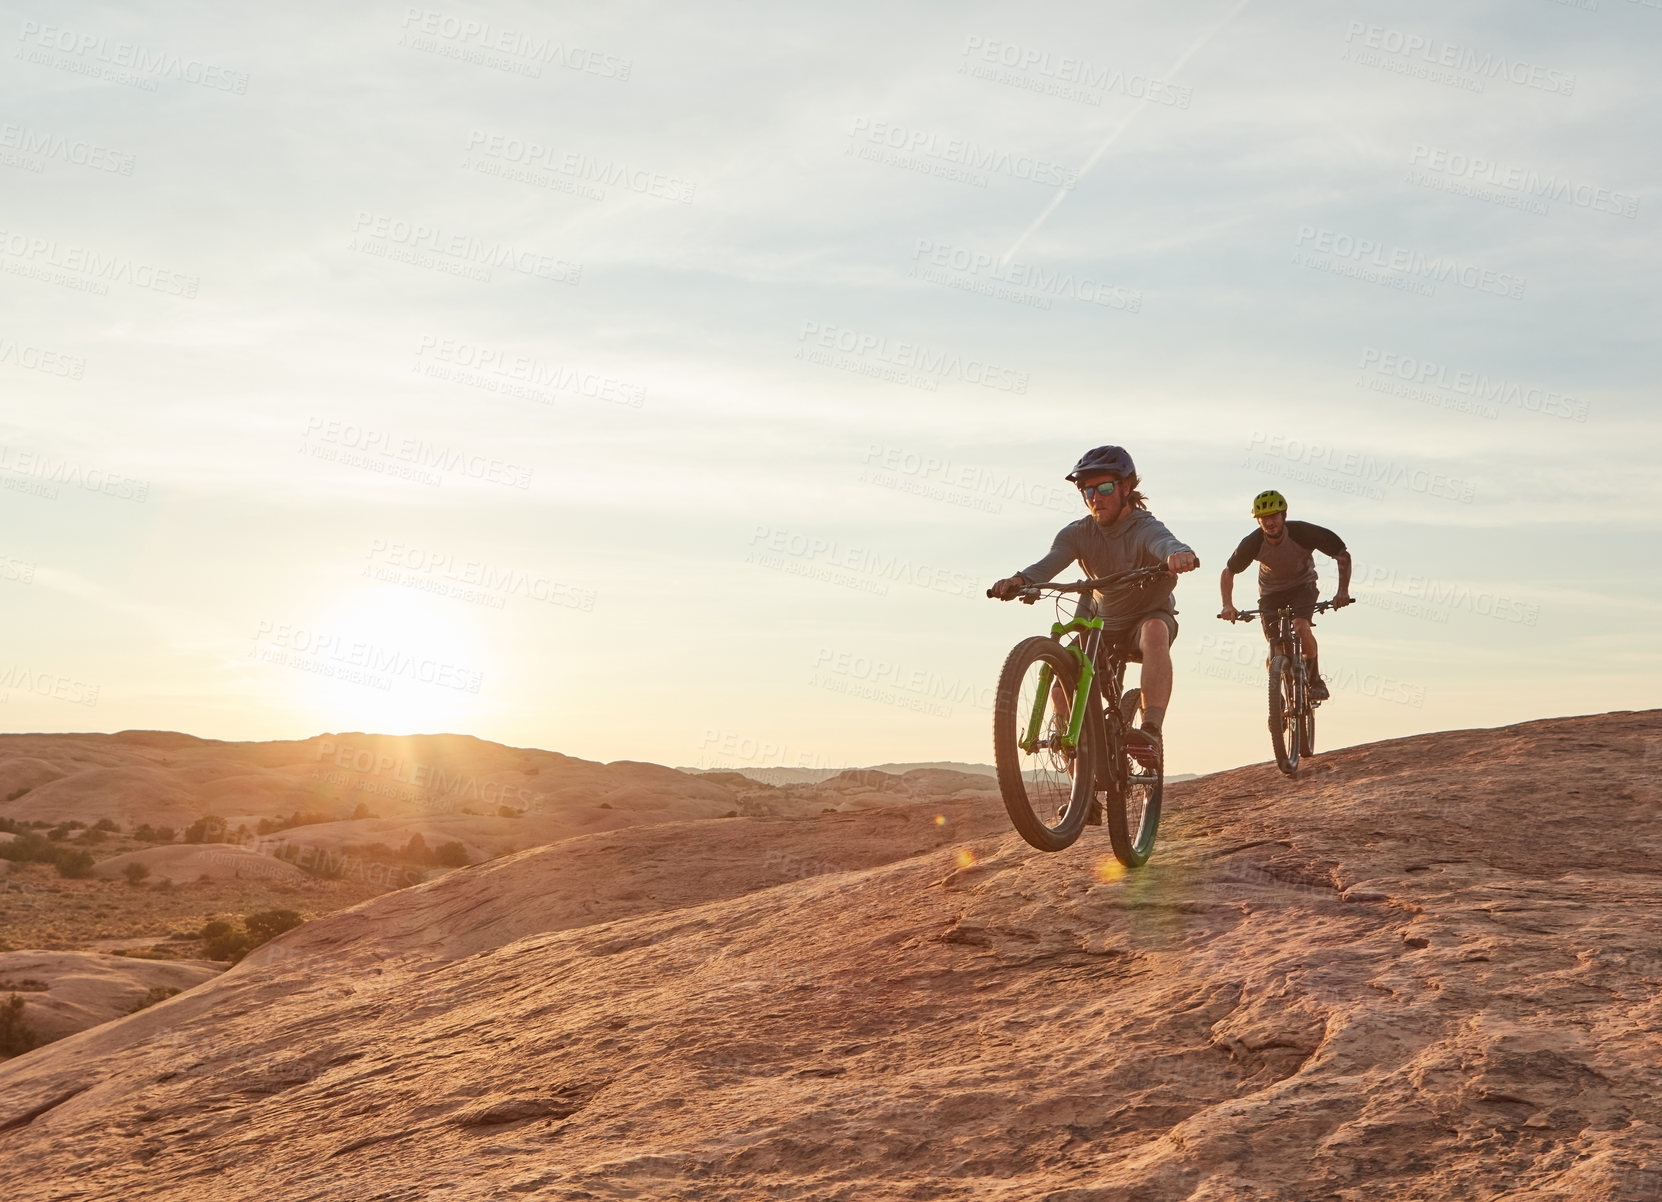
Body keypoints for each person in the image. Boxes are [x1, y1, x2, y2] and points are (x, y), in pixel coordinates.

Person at [989, 445, 1199, 742]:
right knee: (1060, 690)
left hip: (1146, 621)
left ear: (1126, 487)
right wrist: (1021, 579)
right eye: (1088, 492)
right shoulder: (1077, 533)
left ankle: (1150, 731)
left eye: (1104, 487)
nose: (1096, 498)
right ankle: (1080, 773)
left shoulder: (1144, 527)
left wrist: (1180, 554)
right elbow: (1050, 562)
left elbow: (1165, 543)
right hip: (1104, 627)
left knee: (1154, 630)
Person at [1219, 490, 1352, 701]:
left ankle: (1315, 679)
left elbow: (1342, 555)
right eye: (1264, 518)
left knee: (1300, 626)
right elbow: (1228, 573)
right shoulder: (1253, 543)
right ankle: (1277, 695)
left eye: (1274, 516)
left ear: (1284, 515)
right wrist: (1228, 605)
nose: (1269, 522)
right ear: (1258, 521)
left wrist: (1342, 591)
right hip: (1271, 593)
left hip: (1303, 586)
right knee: (1275, 647)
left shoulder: (1302, 532)